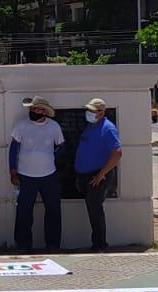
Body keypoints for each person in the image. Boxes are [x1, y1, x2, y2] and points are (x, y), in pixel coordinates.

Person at [9, 96, 65, 253]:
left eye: (36, 109)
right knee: (24, 212)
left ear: (44, 111)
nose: (33, 111)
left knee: (53, 210)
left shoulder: (54, 127)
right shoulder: (21, 126)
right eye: (31, 109)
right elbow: (13, 149)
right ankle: (23, 245)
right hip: (25, 175)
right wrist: (13, 171)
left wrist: (51, 157)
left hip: (49, 175)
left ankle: (53, 245)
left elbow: (61, 147)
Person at [74, 98, 124, 252]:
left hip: (97, 176)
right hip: (85, 175)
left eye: (92, 111)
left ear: (101, 112)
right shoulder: (90, 127)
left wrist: (102, 174)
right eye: (88, 110)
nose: (89, 113)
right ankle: (97, 243)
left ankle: (100, 244)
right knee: (92, 208)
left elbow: (117, 153)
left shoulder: (108, 128)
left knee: (95, 209)